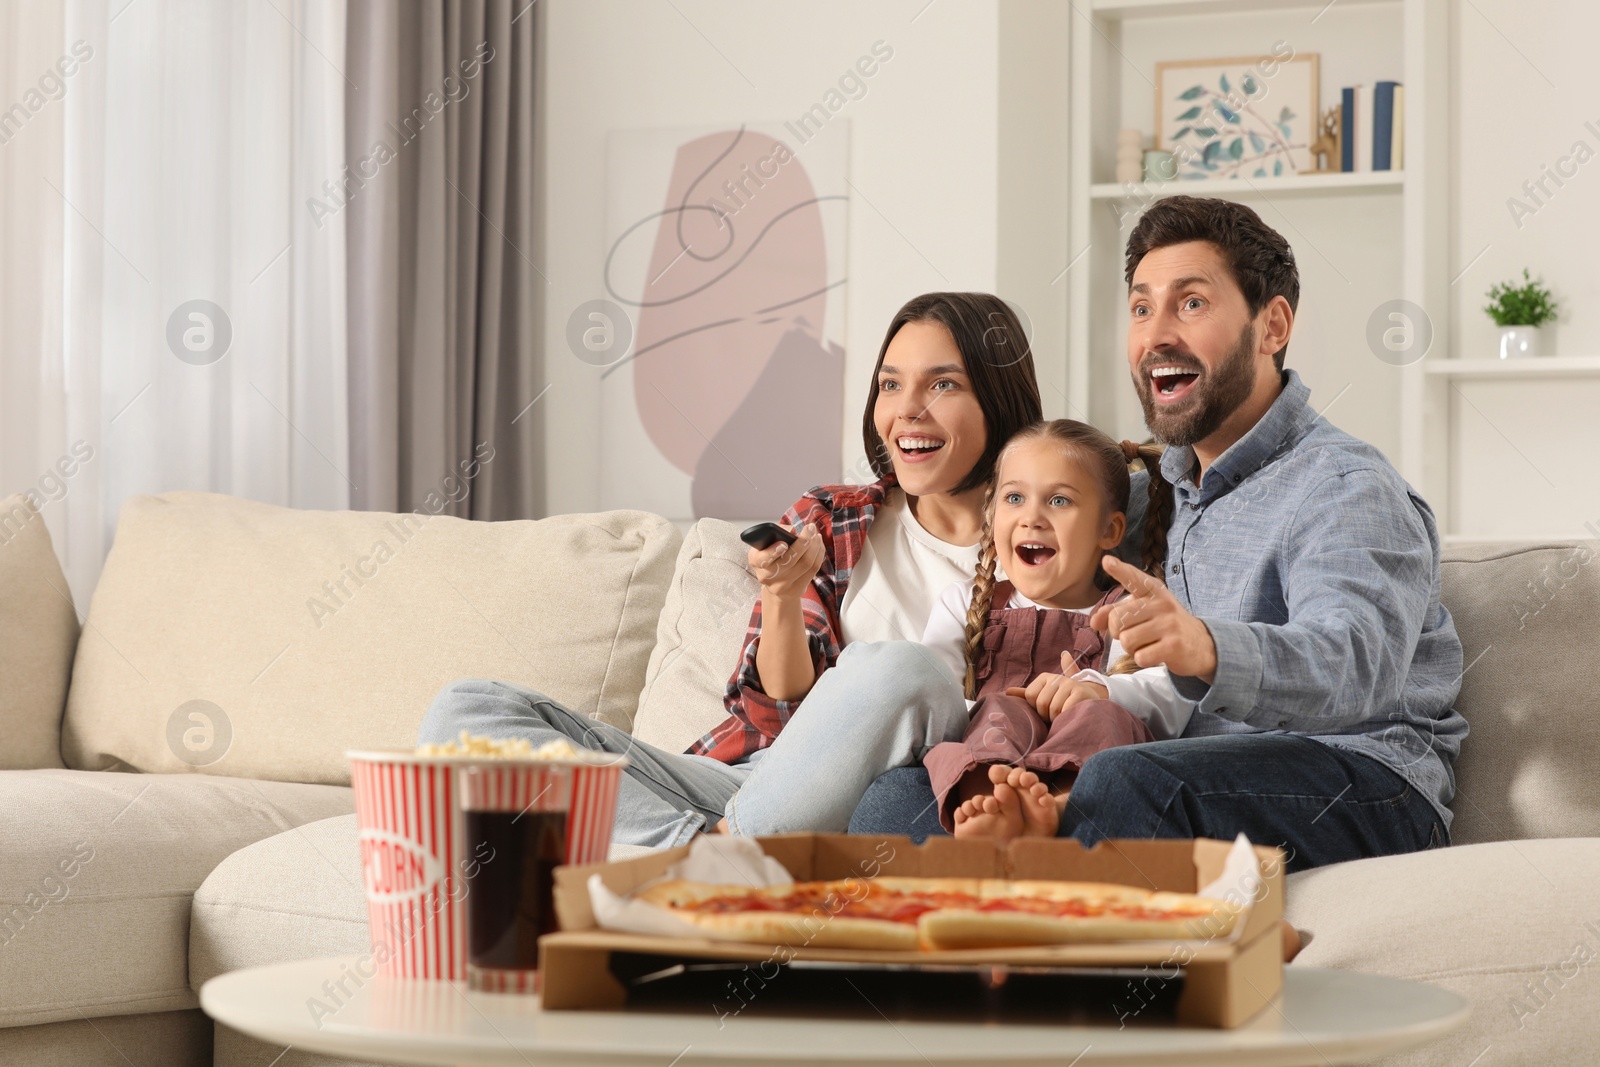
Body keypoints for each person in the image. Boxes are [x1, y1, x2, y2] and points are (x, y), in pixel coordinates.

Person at [850, 196, 1469, 873]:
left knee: (1122, 782)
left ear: (1272, 326)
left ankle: (1037, 945)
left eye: (1191, 304)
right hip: (1179, 763)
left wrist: (1205, 647)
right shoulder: (1145, 495)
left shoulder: (1345, 486)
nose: (1156, 335)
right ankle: (976, 960)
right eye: (1142, 308)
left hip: (1361, 778)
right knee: (900, 799)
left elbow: (1360, 665)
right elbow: (1034, 533)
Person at [418, 292, 1046, 848]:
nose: (907, 410)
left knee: (902, 667)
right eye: (889, 385)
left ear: (998, 397)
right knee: (465, 712)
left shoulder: (1046, 536)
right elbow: (773, 719)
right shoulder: (833, 517)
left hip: (886, 794)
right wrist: (782, 594)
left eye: (943, 385)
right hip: (746, 783)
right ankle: (701, 853)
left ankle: (706, 855)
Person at [919, 419, 1192, 839]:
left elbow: (1175, 694)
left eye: (1059, 501)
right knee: (997, 711)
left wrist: (1097, 689)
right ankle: (990, 805)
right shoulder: (963, 602)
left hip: (1083, 776)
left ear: (1110, 530)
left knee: (1101, 716)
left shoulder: (1126, 608)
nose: (1032, 518)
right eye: (1014, 497)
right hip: (992, 764)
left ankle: (1060, 802)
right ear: (992, 516)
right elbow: (934, 703)